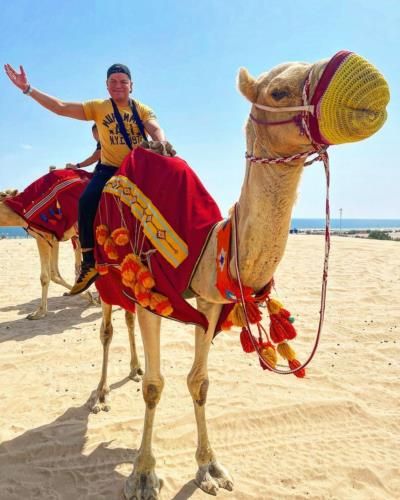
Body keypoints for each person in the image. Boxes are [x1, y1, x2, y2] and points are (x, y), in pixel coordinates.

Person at [4, 62, 170, 294]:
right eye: (113, 82)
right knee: (86, 201)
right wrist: (28, 89)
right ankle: (89, 262)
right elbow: (61, 107)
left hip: (136, 169)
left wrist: (160, 142)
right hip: (109, 169)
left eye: (123, 81)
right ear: (106, 86)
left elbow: (155, 128)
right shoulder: (98, 107)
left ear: (131, 86)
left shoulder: (141, 109)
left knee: (171, 187)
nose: (118, 85)